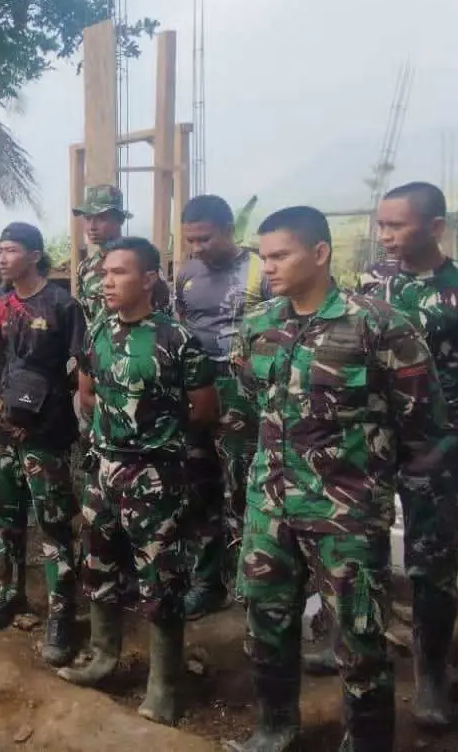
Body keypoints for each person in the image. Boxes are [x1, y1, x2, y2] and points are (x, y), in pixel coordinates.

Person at [299, 181, 458, 728]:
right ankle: (348, 642)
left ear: (434, 226)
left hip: (436, 447)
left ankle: (431, 676)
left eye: (396, 225)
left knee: (433, 561)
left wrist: (456, 408)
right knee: (355, 545)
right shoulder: (372, 283)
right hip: (367, 439)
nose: (384, 236)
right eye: (381, 225)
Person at [226, 206, 447, 752]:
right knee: (267, 624)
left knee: (360, 636)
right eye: (263, 256)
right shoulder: (258, 327)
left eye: (281, 255)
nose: (268, 267)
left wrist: (376, 489)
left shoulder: (379, 325)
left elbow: (422, 421)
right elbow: (252, 408)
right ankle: (275, 727)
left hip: (344, 513)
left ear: (320, 253)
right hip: (269, 506)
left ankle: (367, 741)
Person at [62, 237, 217, 725]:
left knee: (160, 578)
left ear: (148, 279)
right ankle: (104, 657)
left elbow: (205, 408)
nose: (107, 282)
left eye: (120, 273)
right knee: (99, 565)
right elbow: (87, 392)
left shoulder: (178, 339)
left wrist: (155, 439)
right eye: (105, 272)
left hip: (155, 477)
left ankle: (164, 686)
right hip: (103, 470)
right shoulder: (99, 331)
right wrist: (113, 433)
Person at [0, 222, 88, 667]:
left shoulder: (62, 304)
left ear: (35, 255)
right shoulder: (0, 303)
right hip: (5, 430)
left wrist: (52, 405)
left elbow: (80, 368)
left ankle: (63, 614)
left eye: (12, 250)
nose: (2, 257)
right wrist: (6, 411)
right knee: (7, 518)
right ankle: (9, 595)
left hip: (48, 434)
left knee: (55, 525)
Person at [173, 194, 270, 619]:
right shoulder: (187, 273)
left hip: (243, 394)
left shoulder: (260, 270)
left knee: (245, 490)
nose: (197, 248)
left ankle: (255, 587)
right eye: (190, 240)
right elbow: (180, 327)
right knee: (199, 487)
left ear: (229, 230)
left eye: (205, 238)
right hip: (196, 389)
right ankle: (207, 581)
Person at [73, 184, 171, 330]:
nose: (92, 226)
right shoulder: (85, 268)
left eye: (101, 218)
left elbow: (162, 310)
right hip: (101, 349)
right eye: (87, 219)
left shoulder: (141, 261)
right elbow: (86, 316)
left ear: (120, 220)